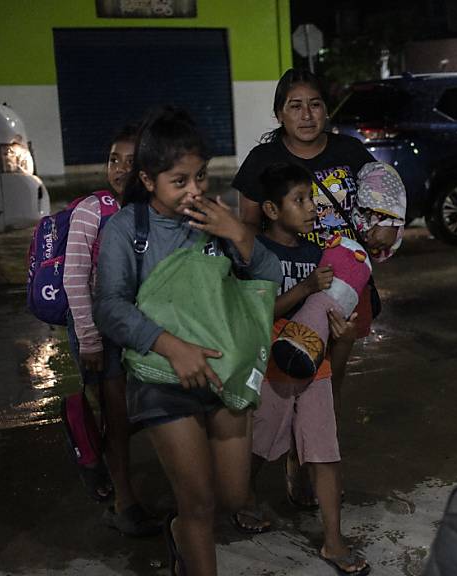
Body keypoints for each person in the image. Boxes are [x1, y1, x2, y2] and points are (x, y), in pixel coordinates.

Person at [94, 107, 281, 576]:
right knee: (197, 503)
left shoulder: (216, 220)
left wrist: (238, 233)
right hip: (163, 377)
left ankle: (179, 533)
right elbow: (110, 307)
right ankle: (188, 537)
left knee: (235, 495)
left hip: (224, 373)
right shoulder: (125, 231)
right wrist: (171, 347)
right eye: (179, 181)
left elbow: (270, 276)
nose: (195, 189)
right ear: (148, 179)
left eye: (200, 175)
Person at [232, 67, 400, 508]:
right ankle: (256, 472)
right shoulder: (260, 162)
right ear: (279, 114)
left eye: (315, 104)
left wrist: (386, 232)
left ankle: (304, 462)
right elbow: (247, 229)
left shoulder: (351, 151)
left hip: (344, 286)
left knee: (329, 381)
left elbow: (380, 210)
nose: (306, 115)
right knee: (280, 380)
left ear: (326, 109)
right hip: (286, 284)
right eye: (294, 106)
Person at [232, 161, 370, 575]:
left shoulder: (320, 253)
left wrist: (342, 332)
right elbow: (258, 312)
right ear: (272, 210)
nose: (312, 207)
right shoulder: (258, 253)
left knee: (325, 452)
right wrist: (307, 287)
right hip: (272, 365)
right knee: (259, 445)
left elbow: (334, 309)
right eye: (300, 200)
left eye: (311, 198)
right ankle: (245, 497)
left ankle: (333, 540)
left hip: (316, 367)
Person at [63, 123, 161, 536]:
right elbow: (75, 279)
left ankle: (99, 458)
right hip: (97, 329)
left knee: (132, 413)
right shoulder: (92, 210)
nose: (120, 168)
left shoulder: (152, 210)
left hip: (135, 325)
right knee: (118, 415)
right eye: (113, 159)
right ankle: (124, 502)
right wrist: (88, 340)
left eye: (130, 159)